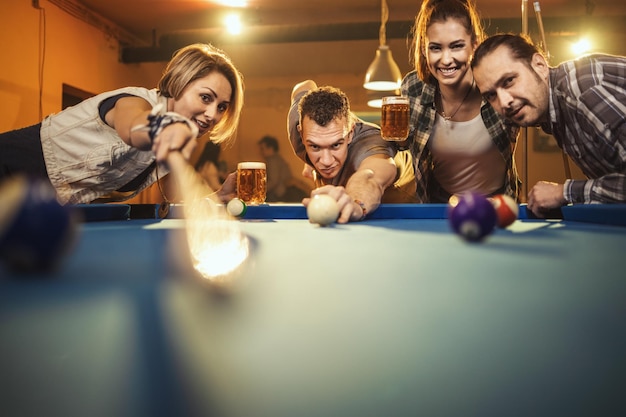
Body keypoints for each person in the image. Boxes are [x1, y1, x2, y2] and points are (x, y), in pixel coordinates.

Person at [0, 43, 244, 205]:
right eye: (205, 97)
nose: (213, 114)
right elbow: (134, 127)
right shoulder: (134, 102)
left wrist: (219, 197)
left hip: (31, 202)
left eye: (222, 106)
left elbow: (180, 199)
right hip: (9, 168)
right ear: (180, 82)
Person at [471, 33, 626, 217]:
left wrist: (564, 192)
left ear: (540, 65)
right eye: (491, 95)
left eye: (509, 81)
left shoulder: (584, 93)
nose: (504, 102)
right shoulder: (550, 104)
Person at [400, 0, 520, 203]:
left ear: (475, 44)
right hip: (440, 206)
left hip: (498, 204)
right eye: (436, 48)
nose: (446, 60)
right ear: (424, 49)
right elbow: (397, 147)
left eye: (456, 46)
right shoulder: (413, 88)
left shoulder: (498, 85)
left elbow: (544, 109)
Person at [288, 80, 415, 223]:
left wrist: (356, 202)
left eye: (336, 145)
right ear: (301, 133)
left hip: (409, 213)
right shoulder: (298, 126)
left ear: (350, 133)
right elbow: (304, 85)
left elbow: (369, 177)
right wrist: (310, 161)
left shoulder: (370, 143)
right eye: (315, 146)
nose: (326, 161)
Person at [257, 135, 307, 202]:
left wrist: (259, 191)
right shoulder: (279, 159)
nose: (261, 152)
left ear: (270, 148)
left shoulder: (272, 160)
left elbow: (273, 181)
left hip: (280, 194)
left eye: (262, 148)